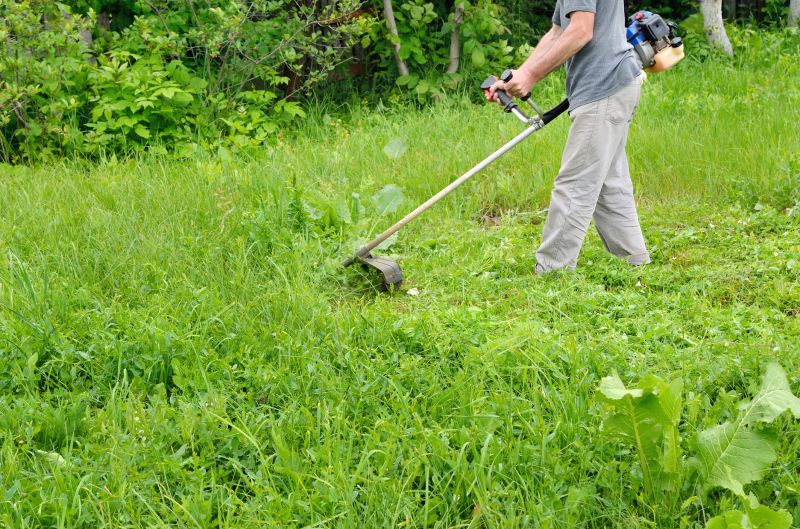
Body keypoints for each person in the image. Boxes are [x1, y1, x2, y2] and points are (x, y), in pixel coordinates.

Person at [488, 0, 650, 273]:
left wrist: (530, 75)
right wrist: (518, 75)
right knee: (609, 182)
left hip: (604, 86)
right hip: (612, 84)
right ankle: (634, 260)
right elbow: (557, 32)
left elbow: (580, 31)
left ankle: (553, 271)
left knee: (576, 183)